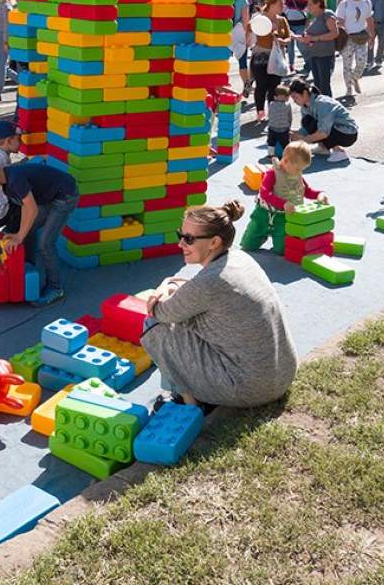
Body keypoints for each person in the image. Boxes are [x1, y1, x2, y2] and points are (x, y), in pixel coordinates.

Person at [140, 200, 298, 409]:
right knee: (186, 315)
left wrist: (163, 287)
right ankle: (203, 390)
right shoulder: (240, 259)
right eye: (181, 235)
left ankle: (189, 402)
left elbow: (158, 311)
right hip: (282, 374)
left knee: (154, 325)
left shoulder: (209, 283)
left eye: (188, 239)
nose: (180, 244)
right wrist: (170, 283)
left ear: (214, 242)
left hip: (250, 389)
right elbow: (195, 291)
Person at [0, 155, 78, 306]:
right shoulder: (6, 184)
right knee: (28, 230)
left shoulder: (15, 180)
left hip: (65, 196)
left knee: (45, 243)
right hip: (47, 197)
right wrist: (19, 233)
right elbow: (26, 206)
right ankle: (27, 269)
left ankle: (56, 287)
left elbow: (31, 209)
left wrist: (19, 236)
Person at [240, 141, 327, 255]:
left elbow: (306, 191)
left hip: (283, 219)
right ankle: (260, 236)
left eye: (302, 169)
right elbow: (264, 193)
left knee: (282, 250)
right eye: (297, 169)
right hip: (263, 215)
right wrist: (283, 203)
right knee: (247, 246)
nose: (299, 172)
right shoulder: (272, 174)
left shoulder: (296, 175)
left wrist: (319, 194)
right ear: (285, 161)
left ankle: (278, 240)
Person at [289, 77, 358, 162]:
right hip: (333, 130)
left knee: (318, 127)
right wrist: (294, 134)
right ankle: (323, 147)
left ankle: (339, 152)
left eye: (295, 97)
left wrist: (303, 140)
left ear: (304, 93)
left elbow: (323, 132)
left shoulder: (322, 103)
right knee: (307, 121)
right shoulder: (305, 107)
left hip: (348, 134)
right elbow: (305, 129)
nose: (294, 101)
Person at [249, 0, 290, 121]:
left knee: (274, 86)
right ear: (271, 4)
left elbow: (288, 38)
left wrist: (283, 41)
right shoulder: (260, 18)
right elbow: (249, 29)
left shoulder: (282, 20)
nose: (283, 6)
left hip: (277, 57)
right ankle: (260, 111)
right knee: (261, 85)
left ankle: (272, 111)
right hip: (261, 56)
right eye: (280, 4)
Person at [336, 0, 374, 98]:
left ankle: (355, 78)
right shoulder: (345, 4)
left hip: (361, 37)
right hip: (348, 38)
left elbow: (369, 19)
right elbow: (340, 21)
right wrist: (342, 35)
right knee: (347, 66)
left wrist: (372, 35)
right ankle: (348, 89)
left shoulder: (367, 2)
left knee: (362, 63)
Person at [298, 0, 339, 97]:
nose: (308, 7)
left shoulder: (327, 14)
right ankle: (321, 109)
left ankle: (329, 108)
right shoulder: (315, 19)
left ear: (318, 4)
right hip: (314, 55)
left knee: (324, 85)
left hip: (325, 55)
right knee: (318, 86)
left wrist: (314, 38)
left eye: (310, 4)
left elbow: (334, 33)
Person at [285, 0, 310, 73]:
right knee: (290, 47)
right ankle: (291, 65)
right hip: (289, 25)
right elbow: (285, 10)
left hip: (301, 25)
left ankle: (308, 63)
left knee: (302, 45)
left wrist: (307, 26)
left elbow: (309, 13)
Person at [233, 0, 253, 93]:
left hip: (225, 34)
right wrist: (248, 36)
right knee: (242, 61)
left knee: (222, 61)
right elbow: (246, 20)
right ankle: (246, 84)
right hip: (239, 34)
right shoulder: (243, 1)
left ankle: (218, 86)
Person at [267, 83, 293, 159]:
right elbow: (290, 117)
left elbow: (270, 115)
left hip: (272, 128)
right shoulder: (287, 105)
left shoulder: (271, 104)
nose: (288, 98)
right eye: (286, 96)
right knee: (285, 143)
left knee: (271, 142)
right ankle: (287, 155)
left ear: (275, 96)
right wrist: (289, 126)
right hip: (284, 129)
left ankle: (271, 155)